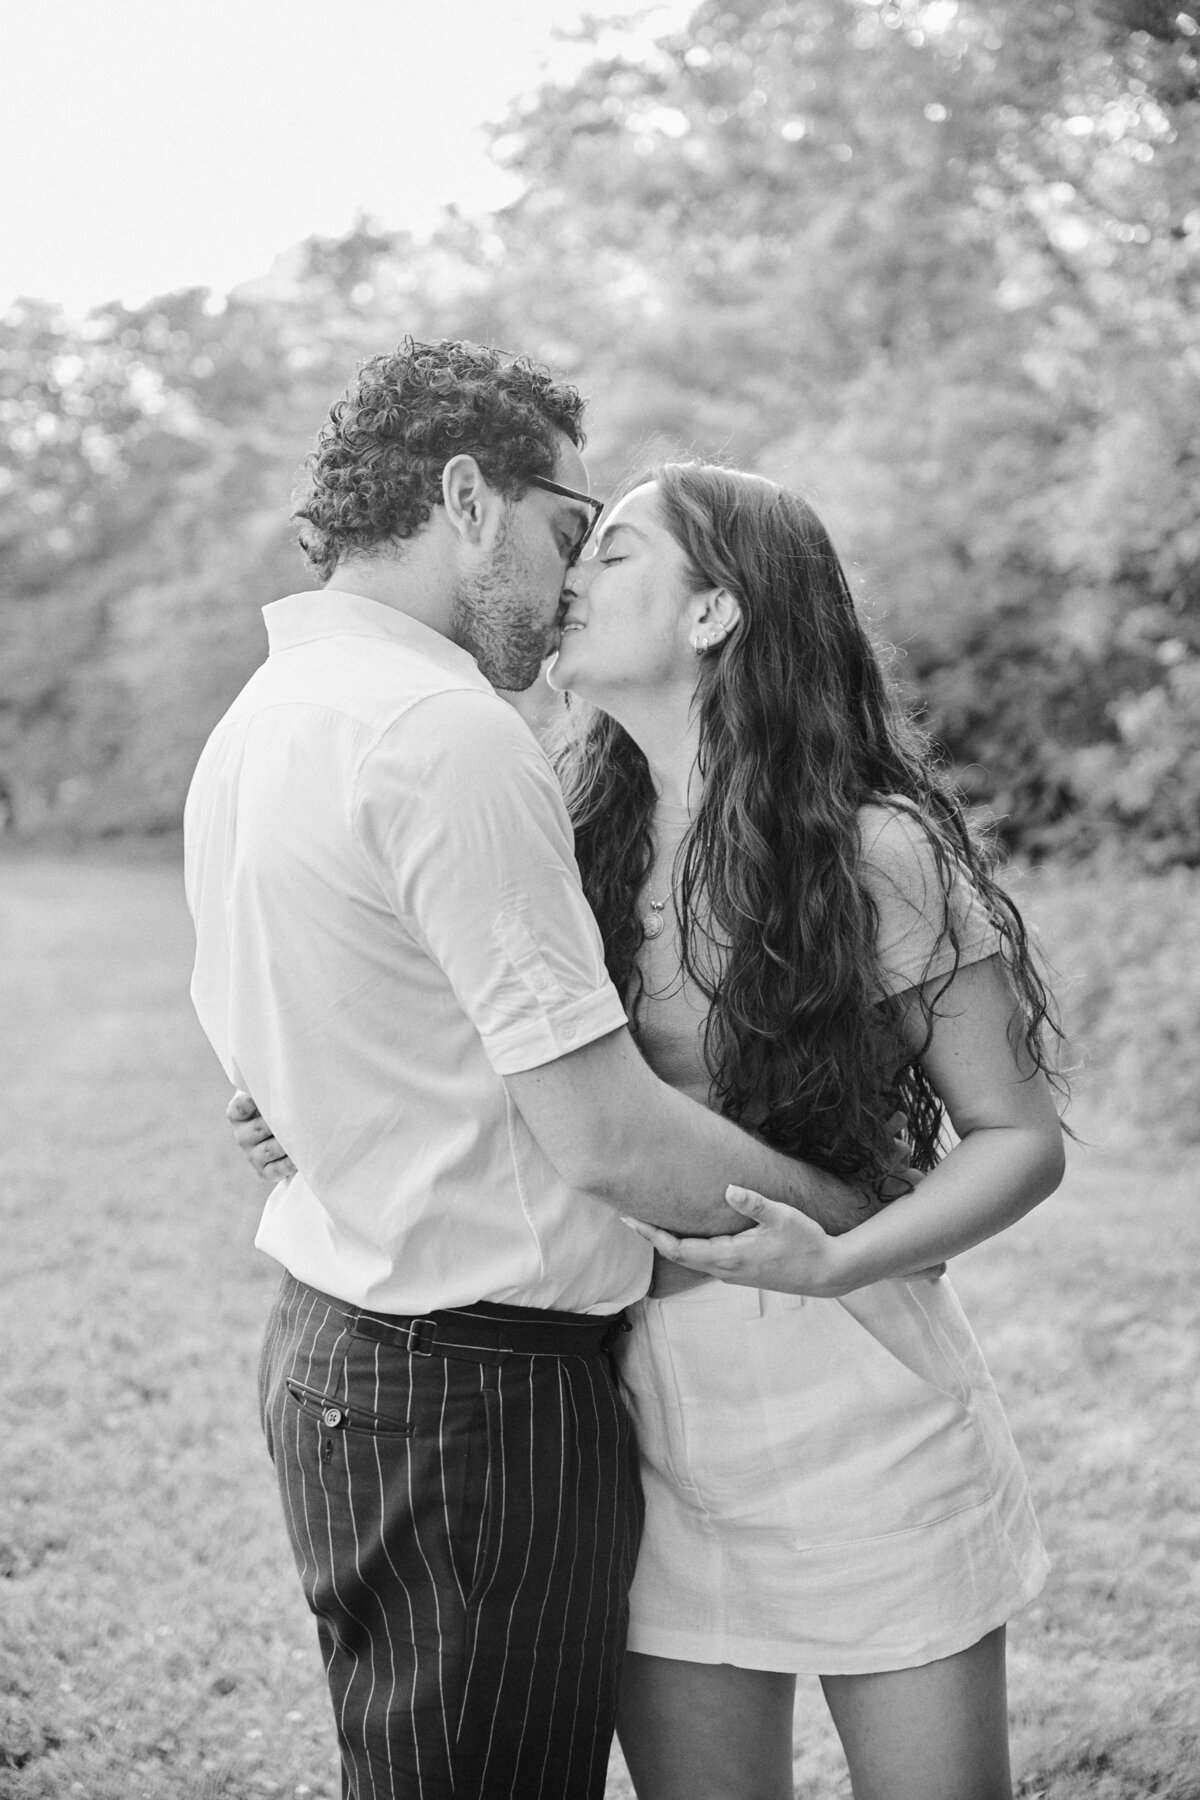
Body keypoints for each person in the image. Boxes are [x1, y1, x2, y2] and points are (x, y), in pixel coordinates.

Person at [233, 459, 1067, 1800]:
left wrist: (846, 1259)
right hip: (633, 1408)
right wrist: (314, 1099)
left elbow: (1018, 1139)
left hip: (862, 1396)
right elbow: (484, 1066)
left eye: (613, 555)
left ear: (713, 615)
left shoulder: (875, 852)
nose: (571, 578)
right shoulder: (562, 836)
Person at [183, 344, 881, 1800]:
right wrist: (855, 1215)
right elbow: (612, 1137)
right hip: (476, 1401)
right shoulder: (441, 731)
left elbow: (316, 1028)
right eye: (572, 524)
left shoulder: (262, 722)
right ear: (465, 498)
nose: (573, 578)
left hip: (343, 1351)